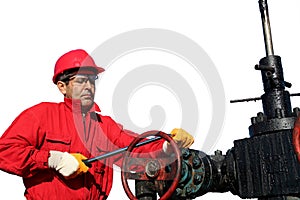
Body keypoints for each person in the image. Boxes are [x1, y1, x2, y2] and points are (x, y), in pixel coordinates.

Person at [0, 49, 194, 200]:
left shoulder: (104, 126)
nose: (89, 87)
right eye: (81, 81)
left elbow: (133, 149)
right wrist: (52, 159)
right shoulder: (41, 115)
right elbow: (4, 152)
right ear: (62, 86)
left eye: (92, 81)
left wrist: (166, 145)